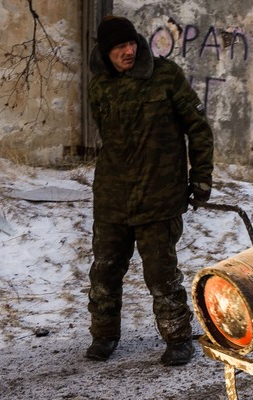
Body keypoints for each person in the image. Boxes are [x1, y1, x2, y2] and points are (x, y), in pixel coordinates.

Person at [84, 16, 214, 366]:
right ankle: (104, 335)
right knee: (105, 271)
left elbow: (198, 129)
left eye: (130, 44)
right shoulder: (99, 87)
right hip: (112, 196)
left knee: (161, 274)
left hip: (159, 196)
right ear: (105, 52)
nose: (127, 51)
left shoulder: (166, 75)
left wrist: (200, 178)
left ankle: (177, 339)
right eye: (118, 48)